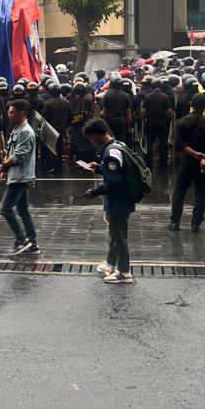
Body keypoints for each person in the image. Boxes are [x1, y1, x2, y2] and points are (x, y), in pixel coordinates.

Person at [83, 117, 136, 284]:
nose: (91, 142)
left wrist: (94, 191)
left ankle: (124, 272)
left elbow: (113, 182)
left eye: (91, 138)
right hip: (122, 198)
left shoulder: (110, 152)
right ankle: (111, 264)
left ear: (97, 135)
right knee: (114, 233)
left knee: (119, 236)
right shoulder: (118, 145)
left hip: (118, 200)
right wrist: (99, 168)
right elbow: (115, 173)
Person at [168, 95, 205, 232]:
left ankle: (175, 221)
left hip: (187, 160)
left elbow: (179, 144)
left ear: (191, 104)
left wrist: (194, 154)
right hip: (204, 162)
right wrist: (204, 156)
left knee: (180, 190)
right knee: (201, 191)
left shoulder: (182, 122)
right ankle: (196, 223)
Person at [0, 98, 39, 254]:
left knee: (6, 209)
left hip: (20, 176)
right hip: (16, 175)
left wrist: (4, 165)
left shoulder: (26, 132)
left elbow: (19, 155)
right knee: (22, 210)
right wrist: (5, 167)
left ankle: (22, 239)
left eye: (12, 112)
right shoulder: (17, 129)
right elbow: (11, 152)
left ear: (22, 113)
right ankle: (32, 242)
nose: (9, 115)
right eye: (8, 112)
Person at [141, 80, 173, 174]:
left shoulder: (148, 97)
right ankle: (163, 163)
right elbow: (169, 111)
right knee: (163, 143)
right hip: (162, 124)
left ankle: (148, 163)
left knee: (150, 143)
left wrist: (146, 117)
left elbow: (143, 112)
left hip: (150, 124)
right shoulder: (165, 97)